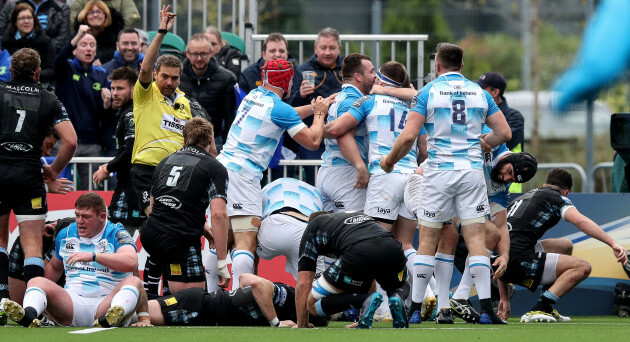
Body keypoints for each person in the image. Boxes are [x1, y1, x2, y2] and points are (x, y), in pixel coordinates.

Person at [377, 42, 512, 324]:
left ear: (437, 67)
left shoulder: (428, 92)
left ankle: (414, 310)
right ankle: (486, 309)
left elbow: (407, 137)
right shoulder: (479, 92)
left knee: (427, 241)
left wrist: (389, 162)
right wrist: (484, 144)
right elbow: (505, 132)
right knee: (476, 241)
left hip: (438, 174)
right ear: (462, 66)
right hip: (471, 172)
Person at [216, 58, 331, 290]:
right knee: (245, 242)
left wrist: (314, 106)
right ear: (288, 83)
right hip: (243, 175)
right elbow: (313, 140)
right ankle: (242, 299)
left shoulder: (254, 96)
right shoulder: (280, 109)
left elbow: (285, 113)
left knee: (219, 240)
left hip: (220, 169)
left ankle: (210, 297)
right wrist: (319, 115)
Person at [499, 168, 628, 323]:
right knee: (583, 267)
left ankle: (546, 308)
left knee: (565, 245)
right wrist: (612, 243)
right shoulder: (556, 198)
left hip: (502, 263)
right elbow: (580, 221)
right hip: (517, 261)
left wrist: (504, 298)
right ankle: (540, 307)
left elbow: (502, 247)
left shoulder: (526, 196)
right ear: (566, 192)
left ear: (545, 184)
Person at [0, 47, 77, 307]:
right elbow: (71, 141)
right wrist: (53, 170)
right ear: (36, 72)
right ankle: (34, 307)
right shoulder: (48, 98)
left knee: (0, 239)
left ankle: (1, 301)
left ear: (10, 70)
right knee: (32, 246)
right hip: (29, 176)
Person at [1, 192, 144, 328]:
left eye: (86, 217)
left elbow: (131, 261)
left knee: (134, 282)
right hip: (72, 304)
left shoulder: (117, 232)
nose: (80, 221)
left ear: (101, 217)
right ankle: (31, 315)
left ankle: (110, 318)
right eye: (77, 215)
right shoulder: (66, 233)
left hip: (106, 302)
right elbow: (55, 269)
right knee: (36, 281)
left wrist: (94, 256)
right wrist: (39, 292)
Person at [130, 5, 208, 217]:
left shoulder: (185, 103)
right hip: (146, 169)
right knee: (157, 218)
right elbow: (144, 68)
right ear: (155, 74)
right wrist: (162, 32)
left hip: (175, 171)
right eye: (164, 76)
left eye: (174, 78)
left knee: (175, 222)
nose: (169, 82)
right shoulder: (145, 94)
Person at [140, 117, 230, 294]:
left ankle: (147, 310)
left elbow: (154, 205)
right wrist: (221, 263)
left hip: (151, 234)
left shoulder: (165, 161)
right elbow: (219, 215)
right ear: (211, 141)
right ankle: (143, 313)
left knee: (171, 291)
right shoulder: (214, 167)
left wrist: (202, 227)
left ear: (184, 140)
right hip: (178, 239)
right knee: (192, 302)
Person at [295, 211, 410, 329]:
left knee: (312, 305)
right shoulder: (349, 219)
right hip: (392, 246)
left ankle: (363, 300)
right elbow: (369, 276)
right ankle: (397, 296)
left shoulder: (312, 228)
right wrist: (362, 318)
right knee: (399, 284)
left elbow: (304, 282)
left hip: (357, 251)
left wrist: (302, 324)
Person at [144, 273, 326, 327]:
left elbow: (244, 279)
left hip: (203, 309)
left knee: (144, 305)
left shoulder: (286, 303)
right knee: (139, 314)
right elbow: (255, 283)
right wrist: (276, 324)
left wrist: (242, 302)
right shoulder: (286, 297)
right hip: (198, 307)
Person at [54, 24, 111, 190]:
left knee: (91, 189)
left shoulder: (101, 74)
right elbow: (58, 59)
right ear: (74, 49)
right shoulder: (67, 67)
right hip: (63, 140)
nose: (88, 49)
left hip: (90, 143)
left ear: (96, 50)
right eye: (83, 44)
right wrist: (77, 36)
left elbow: (105, 112)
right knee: (60, 187)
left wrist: (107, 104)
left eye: (92, 45)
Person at [317, 53, 375, 212]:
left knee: (330, 233)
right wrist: (361, 166)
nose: (375, 76)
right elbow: (342, 135)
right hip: (346, 175)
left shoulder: (342, 97)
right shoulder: (352, 101)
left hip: (328, 171)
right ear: (358, 76)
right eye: (371, 71)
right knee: (355, 232)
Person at [93, 66, 144, 236]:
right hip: (139, 186)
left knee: (115, 245)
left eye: (121, 88)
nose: (115, 93)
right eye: (113, 88)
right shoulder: (130, 111)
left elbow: (131, 151)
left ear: (133, 89)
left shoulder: (131, 114)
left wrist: (107, 168)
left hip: (130, 188)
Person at [288, 27, 344, 186]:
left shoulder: (347, 69)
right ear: (315, 48)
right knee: (316, 183)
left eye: (332, 48)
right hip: (314, 138)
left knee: (341, 183)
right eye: (323, 48)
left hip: (342, 135)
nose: (327, 52)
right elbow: (290, 109)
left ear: (339, 49)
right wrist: (301, 95)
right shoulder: (302, 70)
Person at [179, 33, 237, 153]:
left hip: (214, 139)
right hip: (181, 137)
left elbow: (229, 117)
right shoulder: (177, 76)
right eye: (195, 54)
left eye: (203, 54)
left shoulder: (226, 78)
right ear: (187, 54)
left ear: (211, 53)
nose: (199, 58)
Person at [256, 178, 323, 279]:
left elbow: (254, 222)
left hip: (275, 225)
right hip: (306, 232)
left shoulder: (266, 189)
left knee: (245, 241)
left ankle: (244, 285)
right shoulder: (316, 192)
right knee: (314, 287)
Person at [476, 72, 525, 193]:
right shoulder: (477, 113)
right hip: (483, 179)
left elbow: (503, 139)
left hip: (509, 185)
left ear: (495, 92)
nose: (477, 92)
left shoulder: (514, 117)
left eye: (481, 88)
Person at [1, 3, 55, 83]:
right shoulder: (7, 41)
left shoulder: (45, 41)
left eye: (29, 18)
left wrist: (30, 76)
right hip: (11, 86)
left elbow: (51, 71)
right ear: (15, 22)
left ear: (34, 20)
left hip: (38, 86)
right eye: (22, 18)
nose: (26, 21)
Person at [0, 0, 70, 53]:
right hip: (12, 54)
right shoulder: (10, 6)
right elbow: (1, 33)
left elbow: (63, 38)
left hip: (47, 56)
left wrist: (37, 53)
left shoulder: (61, 8)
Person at [73, 0, 124, 65]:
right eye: (91, 12)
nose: (95, 15)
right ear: (85, 16)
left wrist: (104, 61)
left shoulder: (117, 37)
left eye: (99, 12)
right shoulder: (77, 36)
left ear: (106, 15)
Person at [70, 0, 139, 34]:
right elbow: (74, 21)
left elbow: (132, 17)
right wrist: (91, 33)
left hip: (115, 38)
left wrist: (117, 33)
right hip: (87, 36)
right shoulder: (81, 1)